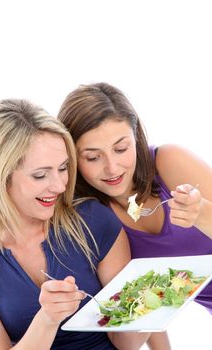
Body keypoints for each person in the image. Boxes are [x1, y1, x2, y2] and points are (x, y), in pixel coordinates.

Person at [0, 99, 165, 350]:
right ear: (0, 176)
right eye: (40, 175)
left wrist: (153, 303)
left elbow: (125, 343)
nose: (59, 186)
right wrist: (47, 320)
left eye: (63, 168)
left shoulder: (94, 221)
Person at [57, 82, 212, 341]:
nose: (112, 168)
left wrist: (201, 213)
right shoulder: (93, 217)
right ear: (71, 158)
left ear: (136, 136)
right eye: (93, 157)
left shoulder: (169, 161)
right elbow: (148, 304)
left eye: (121, 148)